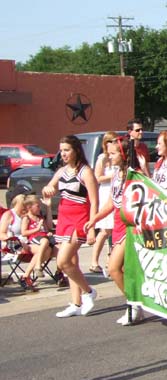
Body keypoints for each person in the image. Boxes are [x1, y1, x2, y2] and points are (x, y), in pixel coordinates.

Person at [84, 137, 143, 325]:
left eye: (113, 153)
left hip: (130, 224)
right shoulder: (116, 174)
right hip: (117, 222)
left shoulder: (135, 174)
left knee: (113, 268)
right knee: (124, 269)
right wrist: (94, 219)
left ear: (123, 154)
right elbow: (111, 202)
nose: (109, 157)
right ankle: (135, 303)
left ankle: (135, 304)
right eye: (108, 153)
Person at [43, 135, 99, 318]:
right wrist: (49, 190)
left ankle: (89, 292)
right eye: (62, 150)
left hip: (80, 218)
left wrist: (91, 226)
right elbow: (48, 188)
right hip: (64, 218)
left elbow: (94, 201)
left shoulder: (85, 172)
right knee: (71, 263)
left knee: (63, 261)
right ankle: (76, 303)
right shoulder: (61, 171)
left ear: (76, 150)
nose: (64, 154)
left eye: (67, 150)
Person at [89, 131, 116, 273]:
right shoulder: (102, 158)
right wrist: (111, 176)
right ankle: (94, 261)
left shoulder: (117, 157)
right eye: (110, 141)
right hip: (106, 192)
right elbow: (97, 177)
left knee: (114, 229)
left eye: (114, 141)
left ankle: (110, 260)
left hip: (115, 191)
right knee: (105, 230)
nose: (112, 144)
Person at [0, 194, 37, 291]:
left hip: (27, 243)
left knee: (48, 248)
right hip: (10, 244)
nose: (25, 208)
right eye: (24, 205)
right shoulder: (9, 215)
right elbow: (1, 234)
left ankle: (26, 276)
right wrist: (16, 241)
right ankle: (25, 277)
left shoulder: (28, 215)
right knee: (40, 249)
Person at [20, 194, 55, 286]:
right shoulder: (26, 218)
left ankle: (59, 273)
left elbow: (49, 227)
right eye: (37, 206)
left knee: (56, 249)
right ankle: (38, 265)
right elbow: (24, 232)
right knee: (45, 242)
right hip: (33, 239)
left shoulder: (40, 217)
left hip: (43, 239)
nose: (40, 208)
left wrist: (48, 207)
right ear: (29, 207)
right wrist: (37, 229)